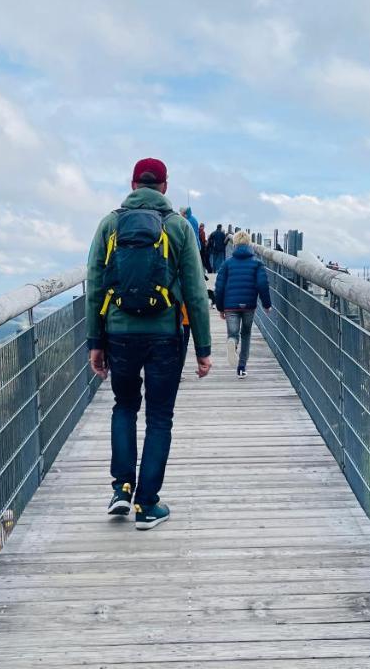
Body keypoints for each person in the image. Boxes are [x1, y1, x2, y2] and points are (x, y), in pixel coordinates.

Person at [86, 158, 213, 530]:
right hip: (165, 336)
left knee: (124, 406)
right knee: (159, 417)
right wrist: (204, 349)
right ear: (165, 186)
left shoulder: (110, 224)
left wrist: (96, 341)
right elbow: (195, 291)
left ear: (132, 183)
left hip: (119, 333)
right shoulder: (177, 227)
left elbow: (95, 285)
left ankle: (121, 489)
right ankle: (146, 505)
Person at [214, 230, 272, 377]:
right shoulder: (257, 263)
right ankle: (241, 367)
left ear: (234, 245)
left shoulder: (227, 264)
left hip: (230, 305)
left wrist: (220, 307)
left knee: (233, 333)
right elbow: (262, 284)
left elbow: (219, 287)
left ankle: (232, 342)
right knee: (246, 334)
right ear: (249, 244)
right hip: (249, 305)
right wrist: (267, 304)